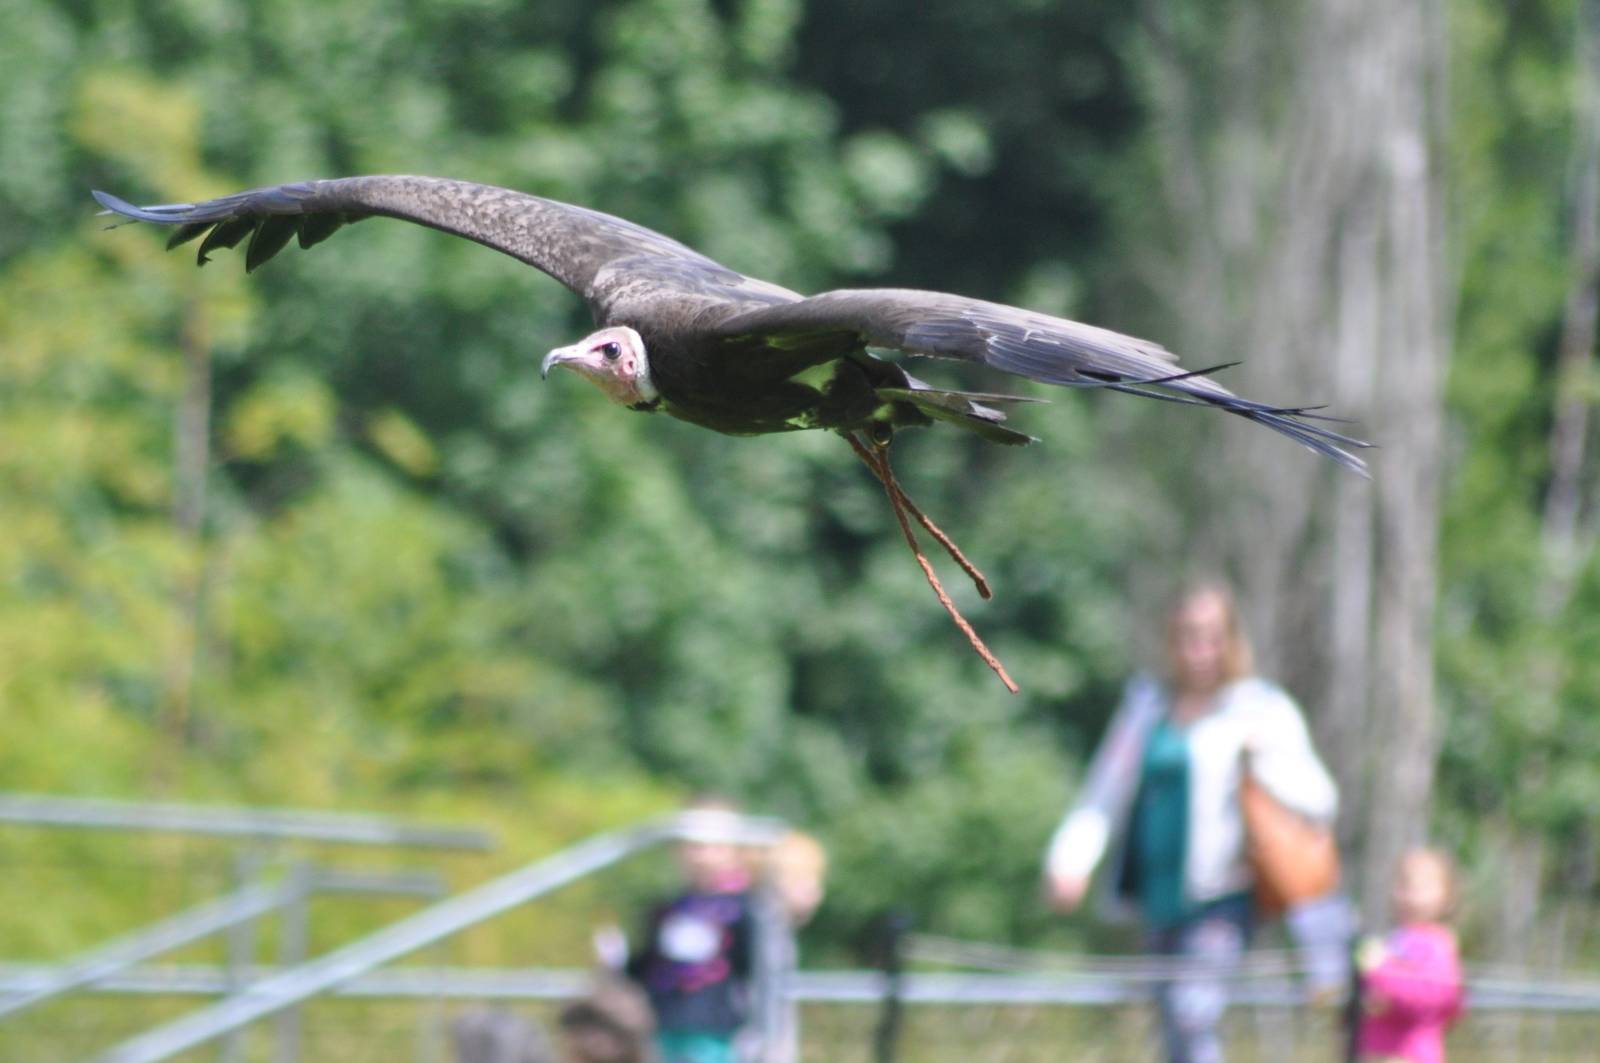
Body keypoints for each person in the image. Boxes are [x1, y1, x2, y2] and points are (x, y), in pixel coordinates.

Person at [1043, 580, 1339, 1063]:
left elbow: (1321, 800)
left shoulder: (1259, 705)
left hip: (1223, 898)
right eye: (1187, 635)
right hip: (1159, 899)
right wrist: (1070, 859)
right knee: (1172, 1027)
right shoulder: (1147, 707)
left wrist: (1262, 756)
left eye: (1211, 635)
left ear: (1231, 640)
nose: (1199, 649)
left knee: (1192, 1012)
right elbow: (1105, 792)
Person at [625, 796, 755, 1063]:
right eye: (694, 846)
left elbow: (752, 966)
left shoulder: (743, 909)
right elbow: (647, 963)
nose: (702, 856)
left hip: (715, 1031)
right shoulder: (667, 909)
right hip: (662, 1024)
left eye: (714, 846)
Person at [1355, 848, 1464, 1063]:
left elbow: (1439, 998)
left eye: (1420, 886)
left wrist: (1380, 972)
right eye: (1403, 883)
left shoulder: (1438, 945)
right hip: (1377, 1052)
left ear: (1447, 896)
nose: (1409, 894)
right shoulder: (1394, 940)